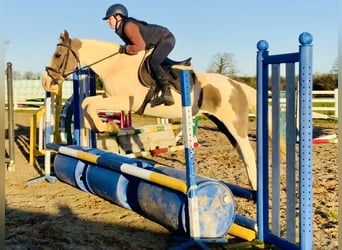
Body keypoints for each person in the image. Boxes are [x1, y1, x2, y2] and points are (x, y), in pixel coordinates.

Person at [102, 3, 175, 106]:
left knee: (153, 62)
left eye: (109, 18)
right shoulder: (122, 28)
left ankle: (167, 92)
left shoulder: (128, 26)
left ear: (118, 16)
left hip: (166, 39)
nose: (107, 21)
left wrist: (126, 49)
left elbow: (140, 46)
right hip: (156, 42)